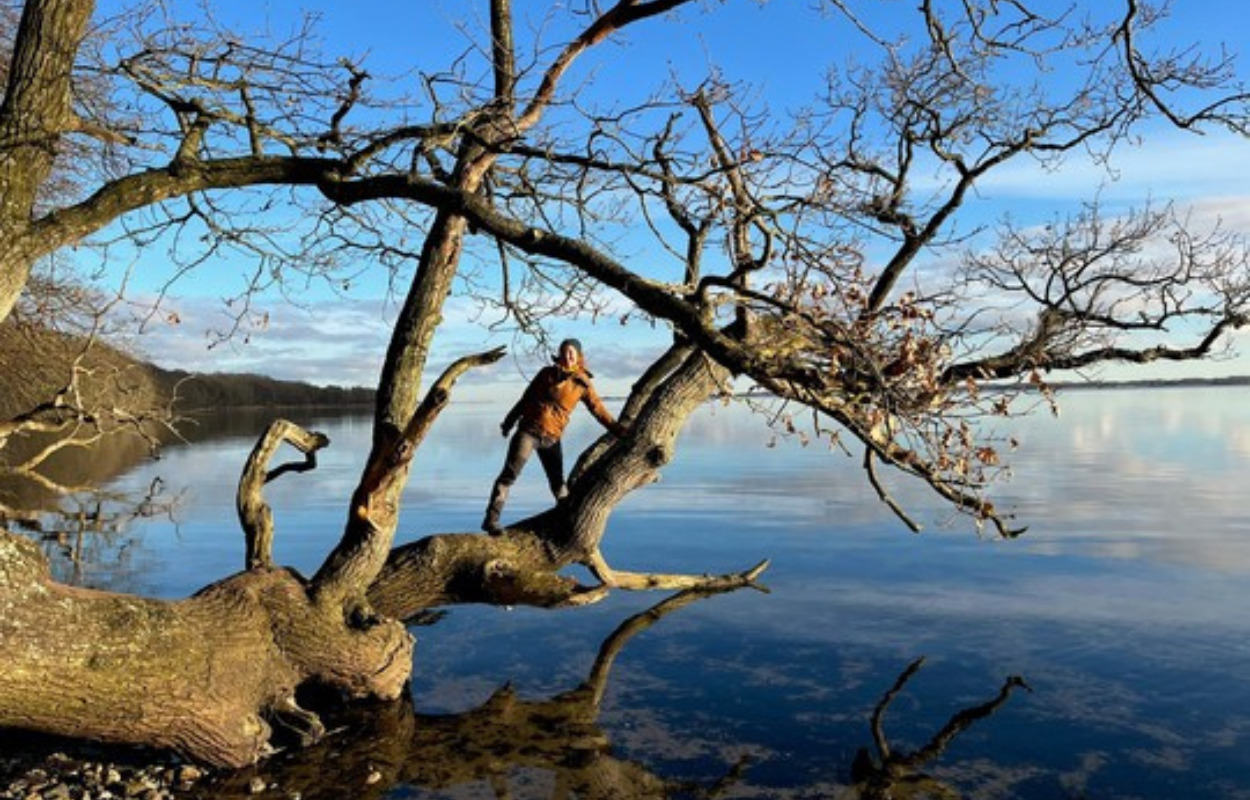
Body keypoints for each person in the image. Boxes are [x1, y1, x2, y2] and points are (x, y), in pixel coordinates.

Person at [482, 338, 628, 535]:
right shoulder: (546, 374)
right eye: (564, 352)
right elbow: (526, 398)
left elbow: (598, 410)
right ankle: (491, 520)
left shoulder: (583, 383)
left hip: (552, 438)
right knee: (509, 475)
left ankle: (568, 523)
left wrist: (618, 430)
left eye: (571, 353)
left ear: (578, 356)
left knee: (558, 483)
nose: (567, 356)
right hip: (528, 432)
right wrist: (509, 421)